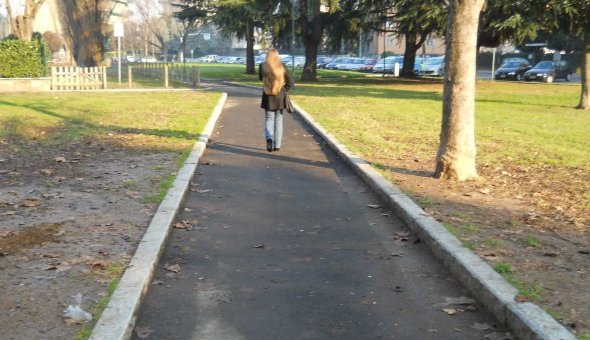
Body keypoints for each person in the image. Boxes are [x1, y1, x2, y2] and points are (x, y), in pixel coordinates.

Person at [259, 49, 295, 152]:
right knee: (279, 120)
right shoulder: (282, 66)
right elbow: (291, 82)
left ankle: (269, 139)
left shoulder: (263, 65)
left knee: (268, 119)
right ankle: (277, 145)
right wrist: (284, 90)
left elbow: (261, 78)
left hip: (268, 95)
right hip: (280, 96)